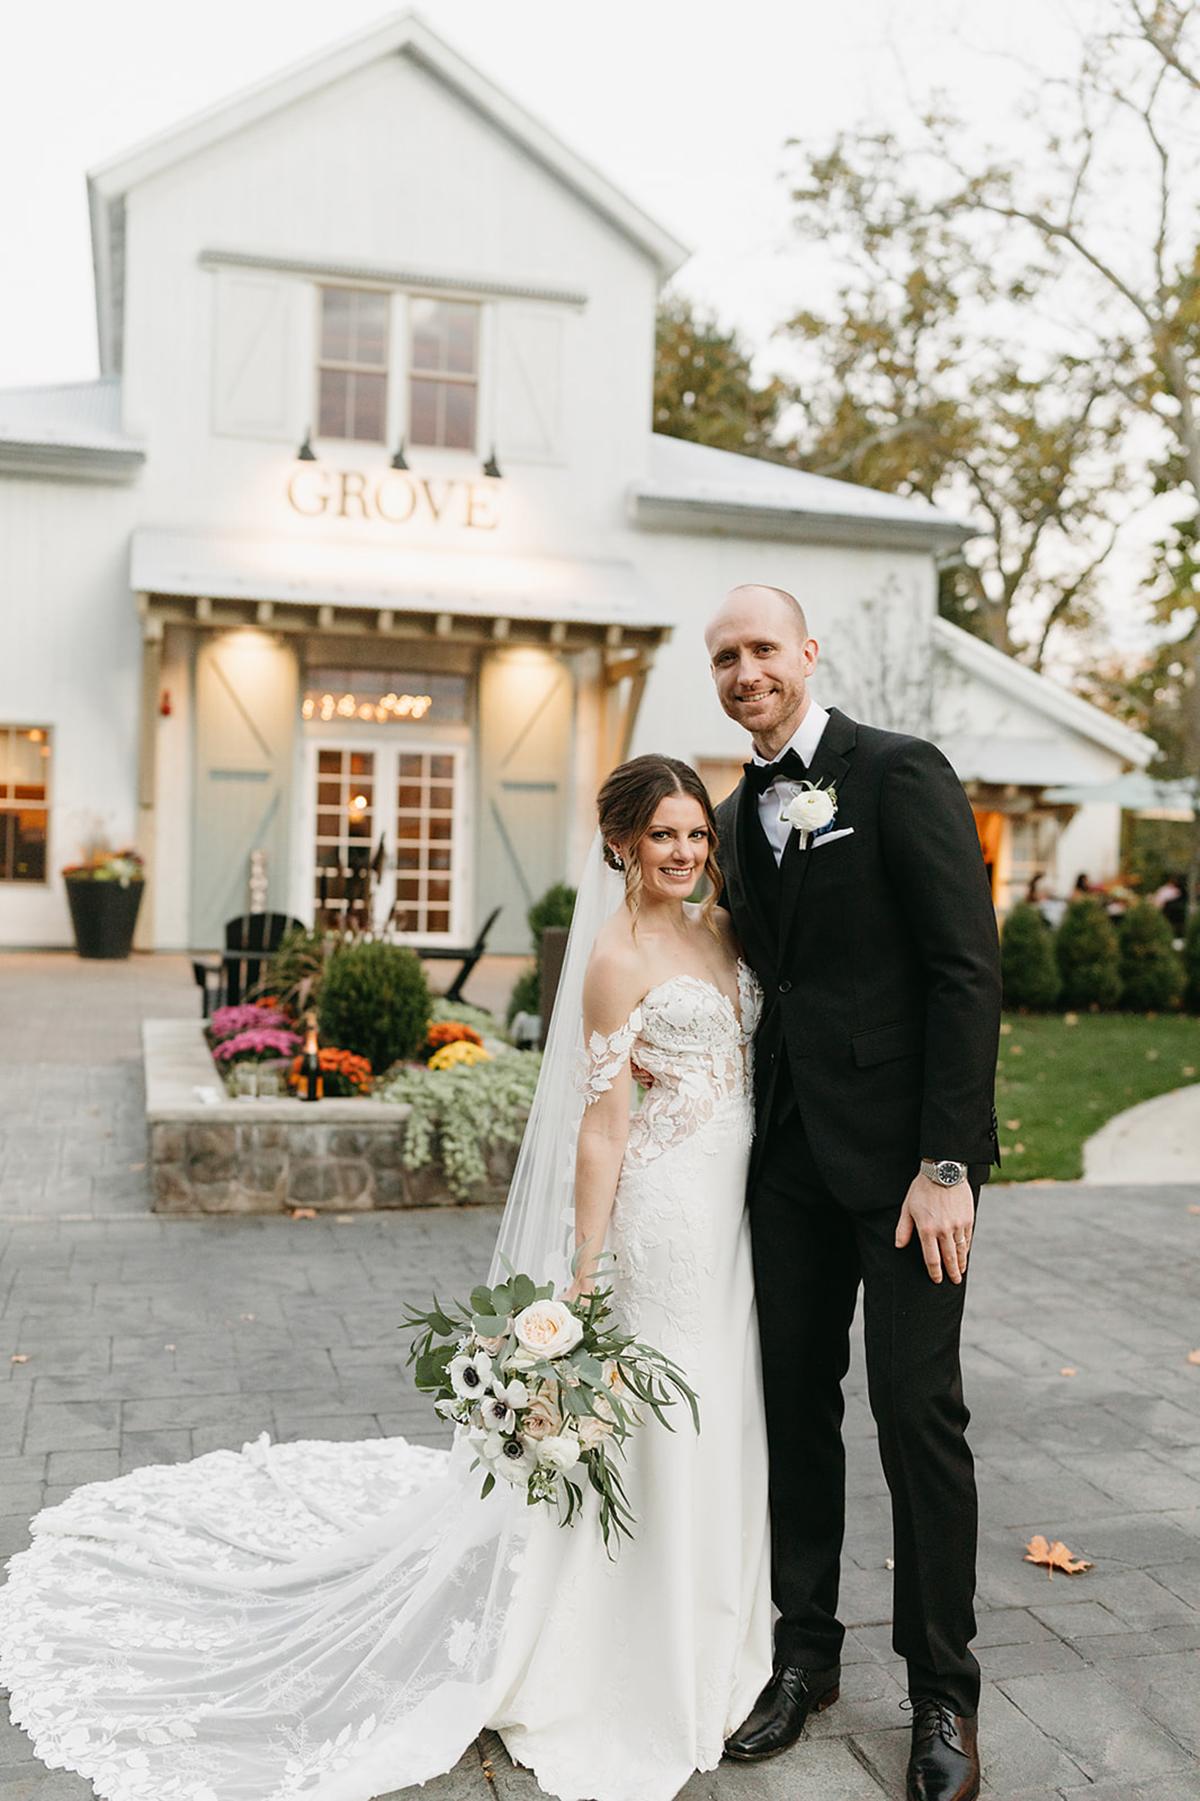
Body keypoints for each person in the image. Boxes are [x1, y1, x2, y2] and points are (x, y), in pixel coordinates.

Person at [0, 755, 774, 1801]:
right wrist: (583, 1269)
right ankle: (641, 1640)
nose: (684, 851)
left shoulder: (720, 929)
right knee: (666, 1414)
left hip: (733, 1206)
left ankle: (715, 1615)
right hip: (667, 1215)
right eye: (664, 834)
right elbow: (601, 1127)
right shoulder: (615, 955)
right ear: (622, 843)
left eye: (696, 833)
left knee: (720, 1403)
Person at [707, 584, 1001, 1801]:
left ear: (808, 653)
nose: (746, 671)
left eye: (763, 647)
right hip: (785, 1161)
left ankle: (944, 1691)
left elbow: (963, 969)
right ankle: (804, 1656)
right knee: (793, 1406)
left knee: (916, 1410)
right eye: (726, 656)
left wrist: (947, 1164)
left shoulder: (898, 771)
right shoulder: (732, 814)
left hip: (906, 1170)